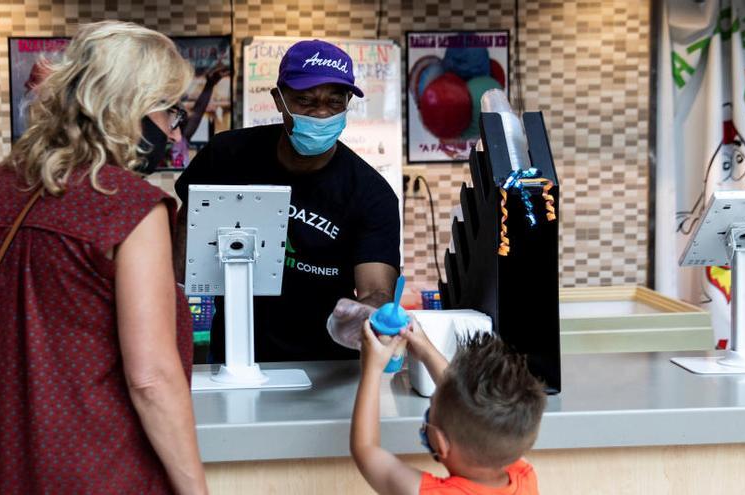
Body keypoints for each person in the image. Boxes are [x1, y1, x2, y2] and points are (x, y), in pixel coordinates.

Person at [0, 21, 208, 494]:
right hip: (96, 467)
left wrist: (26, 387)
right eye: (169, 112)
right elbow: (151, 380)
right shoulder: (131, 207)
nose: (173, 128)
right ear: (131, 109)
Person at [174, 39, 400, 363]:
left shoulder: (370, 194)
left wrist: (371, 315)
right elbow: (186, 234)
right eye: (305, 101)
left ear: (349, 101)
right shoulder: (226, 157)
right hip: (234, 356)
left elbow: (376, 289)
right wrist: (171, 299)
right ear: (279, 100)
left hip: (327, 365)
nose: (321, 113)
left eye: (334, 102)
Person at [351, 323, 546, 495]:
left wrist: (372, 368)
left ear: (440, 442)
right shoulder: (524, 475)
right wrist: (426, 350)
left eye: (431, 405)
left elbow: (366, 450)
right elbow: (461, 399)